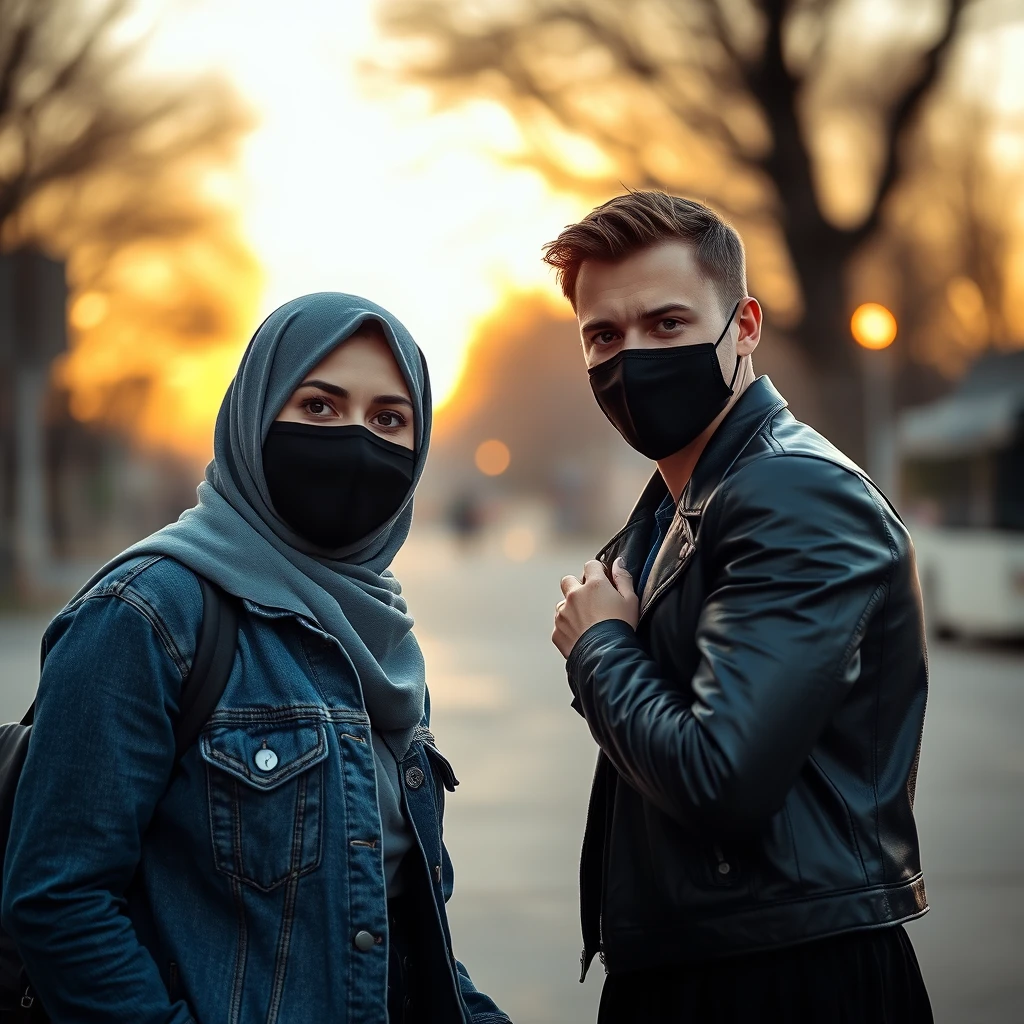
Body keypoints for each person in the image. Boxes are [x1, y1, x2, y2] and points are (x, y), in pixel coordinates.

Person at [2, 293, 511, 1024]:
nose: (358, 440)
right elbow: (58, 900)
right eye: (320, 406)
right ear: (255, 416)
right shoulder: (147, 613)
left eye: (389, 419)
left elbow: (394, 927)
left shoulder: (382, 641)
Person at [546, 192, 933, 1023]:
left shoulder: (792, 492)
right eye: (603, 336)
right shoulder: (681, 507)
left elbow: (721, 780)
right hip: (717, 958)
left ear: (745, 325)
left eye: (668, 323)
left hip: (785, 978)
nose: (632, 357)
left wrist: (601, 649)